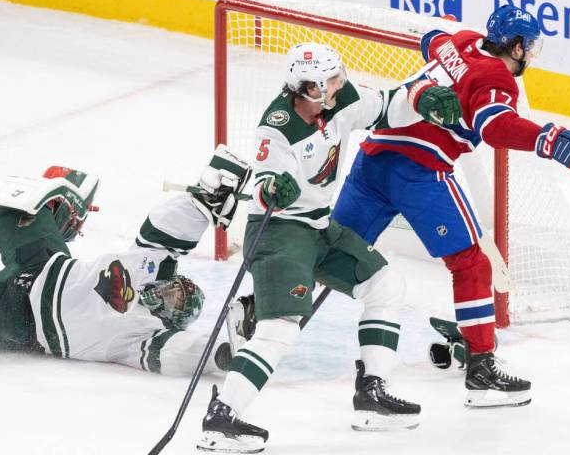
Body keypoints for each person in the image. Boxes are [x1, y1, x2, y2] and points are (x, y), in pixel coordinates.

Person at [197, 42, 463, 453]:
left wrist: (422, 97)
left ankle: (372, 392)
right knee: (280, 328)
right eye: (331, 80)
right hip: (280, 234)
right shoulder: (277, 125)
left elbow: (389, 104)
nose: (341, 84)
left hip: (321, 228)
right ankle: (223, 416)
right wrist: (272, 190)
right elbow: (265, 183)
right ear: (309, 88)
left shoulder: (341, 101)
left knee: (384, 285)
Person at [332, 5, 570, 409]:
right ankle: (481, 368)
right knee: (471, 263)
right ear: (515, 46)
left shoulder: (462, 41)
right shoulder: (497, 77)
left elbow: (431, 40)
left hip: (372, 159)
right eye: (528, 47)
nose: (529, 55)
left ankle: (255, 313)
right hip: (419, 171)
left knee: (328, 253)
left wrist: (450, 68)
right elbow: (496, 127)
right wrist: (548, 139)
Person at [0, 145, 252, 377]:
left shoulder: (142, 334)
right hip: (44, 264)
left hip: (20, 319)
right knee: (13, 208)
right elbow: (166, 233)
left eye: (175, 302)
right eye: (176, 287)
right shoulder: (150, 268)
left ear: (170, 319)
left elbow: (175, 353)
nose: (168, 292)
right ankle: (66, 217)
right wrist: (204, 203)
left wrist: (221, 353)